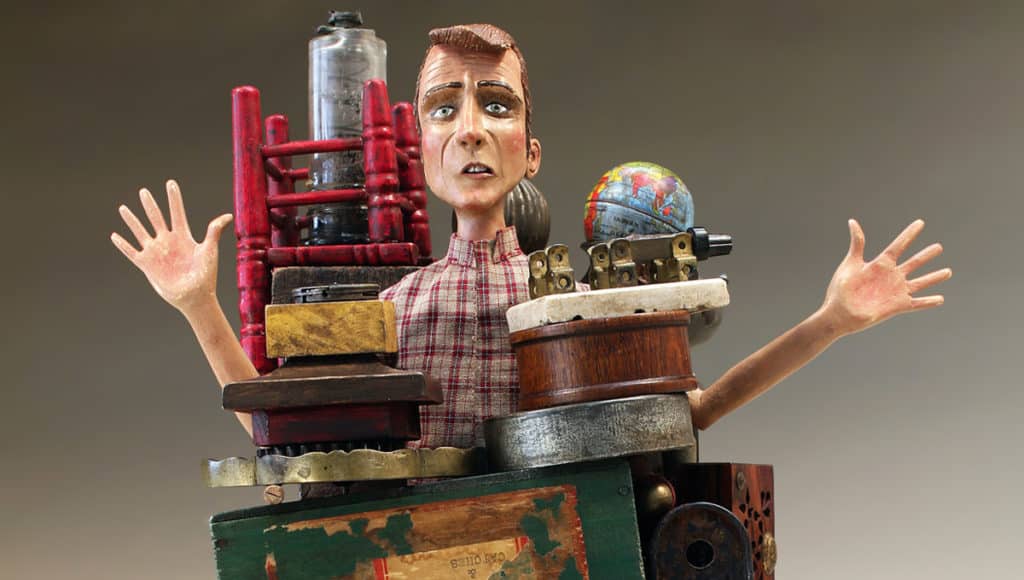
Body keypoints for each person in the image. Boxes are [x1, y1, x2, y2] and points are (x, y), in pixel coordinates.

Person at [110, 23, 951, 448]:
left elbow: (686, 415)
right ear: (420, 148)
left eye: (496, 104)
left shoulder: (577, 309)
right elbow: (284, 436)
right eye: (445, 108)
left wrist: (830, 322)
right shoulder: (393, 310)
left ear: (530, 150)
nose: (472, 128)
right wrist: (198, 306)